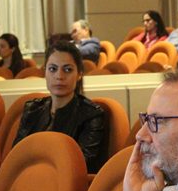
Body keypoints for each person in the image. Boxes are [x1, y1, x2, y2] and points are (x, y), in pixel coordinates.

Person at [13, 41, 107, 172]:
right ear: (45, 73)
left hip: (65, 180)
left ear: (79, 74)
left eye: (68, 70)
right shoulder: (32, 108)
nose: (59, 76)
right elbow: (16, 157)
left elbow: (83, 165)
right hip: (29, 177)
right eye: (53, 69)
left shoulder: (91, 115)